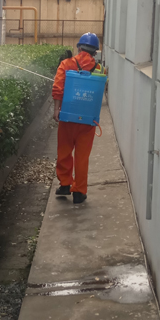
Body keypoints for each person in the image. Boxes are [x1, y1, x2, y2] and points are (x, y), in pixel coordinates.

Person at [52, 32, 102, 204]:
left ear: (79, 48)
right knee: (82, 156)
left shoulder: (66, 64)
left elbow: (58, 88)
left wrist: (56, 109)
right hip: (88, 121)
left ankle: (65, 184)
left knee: (64, 151)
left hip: (67, 117)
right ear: (95, 52)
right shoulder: (100, 69)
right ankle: (79, 192)